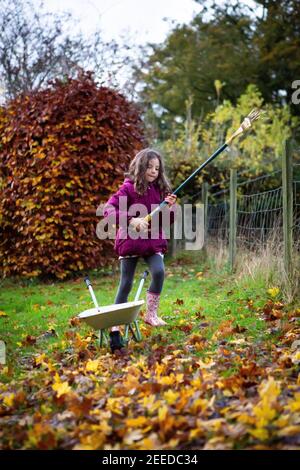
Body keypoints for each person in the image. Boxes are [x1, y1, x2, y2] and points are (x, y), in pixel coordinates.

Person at [103, 148, 177, 352]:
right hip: (131, 242)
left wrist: (170, 208)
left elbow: (165, 221)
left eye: (157, 168)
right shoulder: (128, 189)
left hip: (152, 242)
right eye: (150, 167)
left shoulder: (161, 190)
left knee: (159, 271)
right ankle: (116, 325)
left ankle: (151, 315)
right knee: (126, 283)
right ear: (140, 167)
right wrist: (130, 220)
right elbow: (108, 211)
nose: (154, 171)